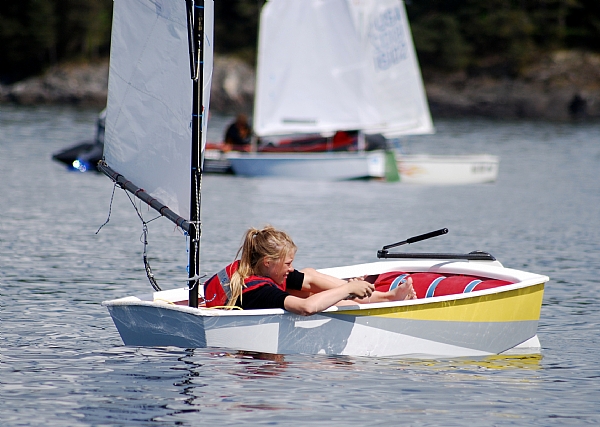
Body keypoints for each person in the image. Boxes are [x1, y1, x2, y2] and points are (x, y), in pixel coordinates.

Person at [203, 226, 417, 315]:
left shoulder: (251, 265)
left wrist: (351, 288)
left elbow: (308, 280)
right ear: (268, 262)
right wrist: (347, 289)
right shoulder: (261, 291)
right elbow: (307, 308)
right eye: (287, 264)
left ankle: (384, 297)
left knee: (309, 273)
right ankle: (379, 299)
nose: (291, 268)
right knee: (316, 296)